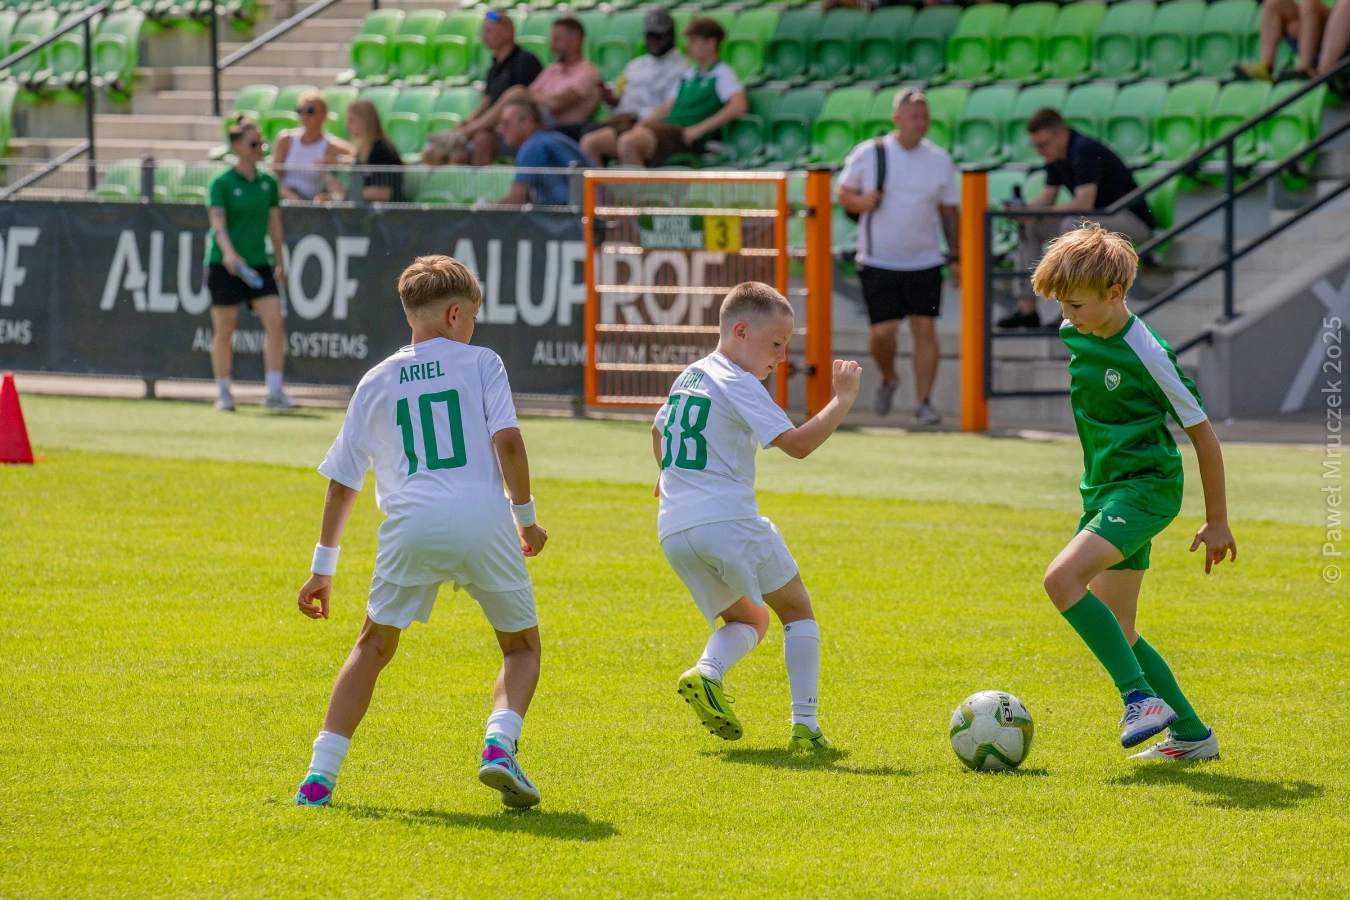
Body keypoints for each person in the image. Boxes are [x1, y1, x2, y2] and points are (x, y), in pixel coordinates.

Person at [293, 255, 550, 809]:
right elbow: (508, 441)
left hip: (409, 524)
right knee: (521, 646)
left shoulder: (376, 378)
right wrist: (526, 519)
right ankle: (499, 745)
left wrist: (322, 569)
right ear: (456, 314)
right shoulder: (482, 362)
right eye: (472, 316)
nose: (472, 326)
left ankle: (318, 779)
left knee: (373, 645)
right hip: (482, 520)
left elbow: (342, 483)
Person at [1032, 223, 1236, 761]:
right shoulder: (1076, 328)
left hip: (1146, 490)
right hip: (1103, 490)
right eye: (1062, 304)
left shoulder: (1149, 353)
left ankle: (1139, 699)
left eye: (1076, 304)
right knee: (1119, 627)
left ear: (1115, 293)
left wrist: (1217, 519)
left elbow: (1204, 437)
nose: (1067, 315)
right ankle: (1192, 735)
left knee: (1061, 579)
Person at [653, 282, 862, 752]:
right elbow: (798, 446)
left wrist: (665, 475)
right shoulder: (737, 380)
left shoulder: (690, 376)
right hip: (726, 521)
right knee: (796, 611)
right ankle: (806, 727)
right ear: (741, 332)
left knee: (751, 620)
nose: (782, 357)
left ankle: (707, 672)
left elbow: (657, 429)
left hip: (674, 529)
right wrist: (842, 400)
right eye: (776, 344)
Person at [837, 88, 958, 424]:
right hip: (879, 260)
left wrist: (956, 256)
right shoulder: (869, 153)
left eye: (925, 116)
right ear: (897, 119)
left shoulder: (939, 159)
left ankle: (923, 402)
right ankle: (889, 376)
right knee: (882, 333)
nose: (921, 122)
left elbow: (949, 211)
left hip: (925, 261)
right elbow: (843, 192)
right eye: (914, 116)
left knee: (925, 329)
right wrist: (863, 202)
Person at [1002, 108, 1154, 330]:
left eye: (1043, 144)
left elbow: (1084, 204)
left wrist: (1039, 212)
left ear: (1061, 133)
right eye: (1036, 146)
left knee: (1072, 226)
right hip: (1101, 218)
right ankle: (1027, 310)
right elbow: (1047, 198)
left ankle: (1073, 310)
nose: (1040, 151)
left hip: (1130, 219)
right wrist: (1024, 212)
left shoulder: (1084, 150)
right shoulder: (1056, 155)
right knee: (1031, 227)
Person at [204, 115, 291, 411]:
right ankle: (224, 392)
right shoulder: (222, 182)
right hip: (224, 265)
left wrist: (281, 262)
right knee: (225, 327)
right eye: (254, 144)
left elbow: (275, 226)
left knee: (275, 321)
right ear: (237, 146)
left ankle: (275, 392)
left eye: (262, 143)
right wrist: (229, 254)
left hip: (258, 264)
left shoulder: (268, 183)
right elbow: (217, 224)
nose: (260, 148)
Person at [612, 17, 748, 168]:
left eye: (693, 41)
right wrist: (642, 125)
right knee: (595, 142)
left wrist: (699, 129)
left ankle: (637, 184)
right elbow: (665, 108)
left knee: (628, 142)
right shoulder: (688, 75)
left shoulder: (722, 73)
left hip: (683, 135)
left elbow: (738, 106)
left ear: (711, 43)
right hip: (667, 129)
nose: (688, 46)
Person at [580, 9, 687, 164]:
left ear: (671, 35)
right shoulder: (635, 65)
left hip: (656, 126)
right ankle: (599, 182)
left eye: (658, 36)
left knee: (628, 142)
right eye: (649, 36)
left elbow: (668, 109)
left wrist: (638, 120)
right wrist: (612, 101)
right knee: (589, 141)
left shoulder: (683, 69)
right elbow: (622, 98)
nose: (653, 41)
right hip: (625, 121)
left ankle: (635, 182)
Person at [455, 10, 544, 166]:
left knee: (482, 138)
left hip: (515, 130)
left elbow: (525, 101)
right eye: (483, 31)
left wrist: (469, 130)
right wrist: (465, 124)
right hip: (491, 128)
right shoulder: (493, 68)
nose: (484, 36)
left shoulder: (526, 61)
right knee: (443, 150)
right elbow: (485, 104)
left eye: (489, 31)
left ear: (508, 32)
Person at [506, 17, 601, 142]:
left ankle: (481, 127)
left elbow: (556, 104)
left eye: (557, 40)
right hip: (538, 125)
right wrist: (544, 99)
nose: (552, 46)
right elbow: (528, 93)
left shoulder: (587, 72)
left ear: (575, 41)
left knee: (516, 93)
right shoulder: (552, 69)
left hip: (562, 133)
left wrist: (536, 96)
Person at [495, 98, 593, 207]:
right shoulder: (547, 139)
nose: (500, 129)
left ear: (527, 122)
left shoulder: (533, 147)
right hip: (579, 210)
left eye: (506, 123)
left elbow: (515, 200)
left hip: (574, 213)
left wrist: (488, 208)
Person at [1237, 0, 1350, 82]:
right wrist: (1303, 23)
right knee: (1274, 3)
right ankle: (1266, 67)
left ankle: (1315, 71)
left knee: (1315, 5)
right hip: (1316, 29)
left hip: (1343, 31)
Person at [271, 90, 351, 203]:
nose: (304, 116)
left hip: (314, 208)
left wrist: (335, 161)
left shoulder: (334, 146)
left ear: (324, 116)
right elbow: (273, 177)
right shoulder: (285, 139)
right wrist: (291, 197)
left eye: (310, 111)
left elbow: (358, 160)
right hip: (285, 204)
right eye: (300, 110)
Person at [328, 99, 406, 203]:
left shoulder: (381, 149)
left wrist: (348, 194)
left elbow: (385, 192)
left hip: (389, 210)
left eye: (352, 120)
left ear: (365, 121)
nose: (347, 126)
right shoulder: (361, 151)